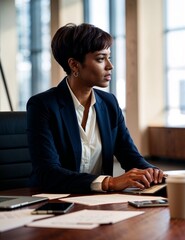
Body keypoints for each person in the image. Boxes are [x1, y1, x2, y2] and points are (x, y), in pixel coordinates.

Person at [27, 23, 164, 193]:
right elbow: (48, 174)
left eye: (109, 57)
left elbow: (130, 156)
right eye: (101, 58)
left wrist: (153, 173)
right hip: (54, 201)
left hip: (100, 204)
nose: (110, 66)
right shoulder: (43, 106)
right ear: (74, 65)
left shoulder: (109, 103)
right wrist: (109, 183)